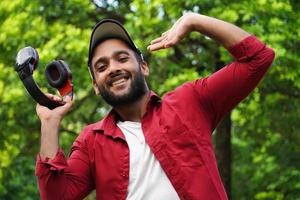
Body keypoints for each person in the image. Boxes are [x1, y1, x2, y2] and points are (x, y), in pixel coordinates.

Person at [35, 12, 275, 200]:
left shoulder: (189, 101)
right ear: (96, 85)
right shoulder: (90, 141)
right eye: (101, 66)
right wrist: (49, 123)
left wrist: (194, 21)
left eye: (122, 58)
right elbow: (58, 196)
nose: (113, 68)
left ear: (143, 66)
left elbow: (258, 58)